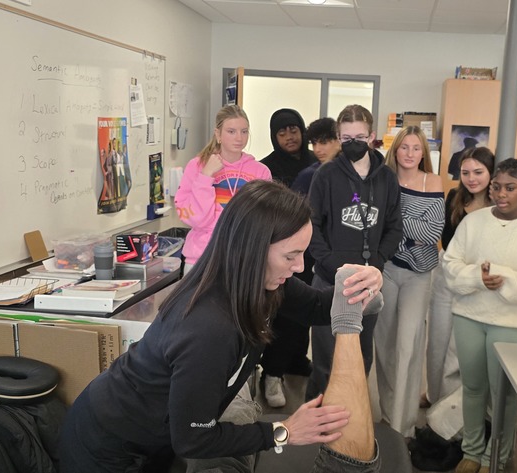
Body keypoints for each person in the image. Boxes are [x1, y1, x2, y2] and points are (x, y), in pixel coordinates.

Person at [58, 180, 384, 473]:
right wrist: (284, 431)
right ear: (254, 251)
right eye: (291, 256)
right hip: (107, 446)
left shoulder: (263, 282)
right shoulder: (209, 328)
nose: (300, 266)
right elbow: (194, 439)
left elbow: (318, 306)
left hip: (153, 436)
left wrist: (367, 280)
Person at [442, 158, 517, 473]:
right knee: (473, 388)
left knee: (504, 396)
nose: (501, 194)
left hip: (513, 323)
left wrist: (503, 277)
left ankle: (497, 456)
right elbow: (450, 263)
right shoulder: (474, 221)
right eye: (497, 187)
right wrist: (477, 278)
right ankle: (472, 451)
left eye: (510, 188)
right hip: (469, 316)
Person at [305, 104, 403, 401]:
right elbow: (311, 224)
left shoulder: (387, 177)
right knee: (325, 361)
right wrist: (331, 262)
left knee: (361, 357)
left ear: (372, 136)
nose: (352, 143)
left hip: (366, 282)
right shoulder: (325, 175)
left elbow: (394, 227)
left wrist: (376, 263)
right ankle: (316, 425)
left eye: (359, 137)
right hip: (329, 281)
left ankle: (353, 420)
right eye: (345, 138)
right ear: (339, 136)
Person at [374, 125, 444, 438]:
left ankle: (405, 425)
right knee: (386, 344)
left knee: (408, 344)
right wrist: (411, 227)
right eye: (405, 147)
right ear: (395, 149)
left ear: (423, 153)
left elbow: (432, 234)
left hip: (419, 274)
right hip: (387, 268)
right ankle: (390, 417)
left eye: (416, 148)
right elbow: (376, 225)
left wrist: (396, 220)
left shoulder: (434, 181)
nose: (410, 154)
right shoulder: (382, 179)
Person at [258, 110, 322, 407]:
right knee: (282, 315)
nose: (289, 137)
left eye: (294, 129)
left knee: (305, 312)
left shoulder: (317, 163)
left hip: (312, 253)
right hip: (281, 255)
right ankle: (271, 374)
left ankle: (296, 359)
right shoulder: (266, 168)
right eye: (282, 132)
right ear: (274, 136)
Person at [424, 147, 495, 410]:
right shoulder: (454, 197)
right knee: (437, 341)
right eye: (465, 172)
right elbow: (446, 236)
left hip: (477, 281)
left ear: (491, 172)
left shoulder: (497, 203)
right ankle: (433, 395)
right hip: (447, 274)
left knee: (458, 348)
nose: (471, 178)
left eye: (478, 172)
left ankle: (450, 405)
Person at [175, 105, 271, 273]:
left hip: (242, 259)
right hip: (201, 258)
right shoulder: (198, 166)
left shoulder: (260, 171)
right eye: (231, 131)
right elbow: (196, 219)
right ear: (218, 134)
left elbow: (263, 221)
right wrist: (206, 176)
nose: (239, 138)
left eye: (244, 131)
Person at [261, 108, 317, 188]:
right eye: (282, 134)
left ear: (302, 132)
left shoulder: (318, 160)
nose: (289, 137)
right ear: (275, 138)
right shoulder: (266, 169)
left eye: (293, 131)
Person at [293, 117, 340, 197]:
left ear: (339, 141)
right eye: (314, 143)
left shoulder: (353, 169)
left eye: (323, 143)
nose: (317, 149)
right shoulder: (308, 175)